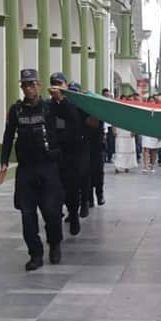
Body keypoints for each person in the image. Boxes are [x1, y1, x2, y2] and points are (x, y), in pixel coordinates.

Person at [0, 69, 66, 271]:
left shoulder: (50, 107)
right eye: (25, 85)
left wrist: (61, 99)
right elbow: (8, 135)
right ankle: (35, 254)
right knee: (27, 216)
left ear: (38, 85)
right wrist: (3, 161)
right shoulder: (16, 110)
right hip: (26, 169)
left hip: (48, 168)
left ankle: (54, 244)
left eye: (32, 84)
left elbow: (67, 120)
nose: (28, 88)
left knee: (52, 213)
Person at [49, 73, 82, 236]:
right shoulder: (49, 105)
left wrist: (62, 99)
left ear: (65, 85)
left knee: (72, 188)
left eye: (59, 84)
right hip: (55, 153)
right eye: (53, 84)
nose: (56, 87)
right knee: (54, 190)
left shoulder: (72, 103)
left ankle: (73, 214)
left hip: (71, 152)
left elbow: (75, 120)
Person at [67, 81, 92, 219]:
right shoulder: (64, 107)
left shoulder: (83, 108)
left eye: (75, 92)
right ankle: (72, 210)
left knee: (83, 177)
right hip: (67, 148)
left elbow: (92, 124)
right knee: (69, 181)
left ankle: (84, 203)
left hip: (82, 147)